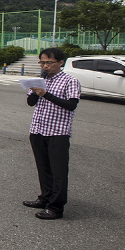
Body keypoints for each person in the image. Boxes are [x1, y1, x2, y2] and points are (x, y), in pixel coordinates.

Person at [24, 47, 81, 220]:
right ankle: (45, 197)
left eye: (49, 63)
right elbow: (30, 102)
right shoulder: (40, 80)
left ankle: (56, 207)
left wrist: (46, 94)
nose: (45, 66)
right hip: (38, 130)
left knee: (58, 172)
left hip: (58, 132)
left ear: (60, 62)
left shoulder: (69, 81)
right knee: (43, 168)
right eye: (42, 62)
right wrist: (34, 91)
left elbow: (71, 105)